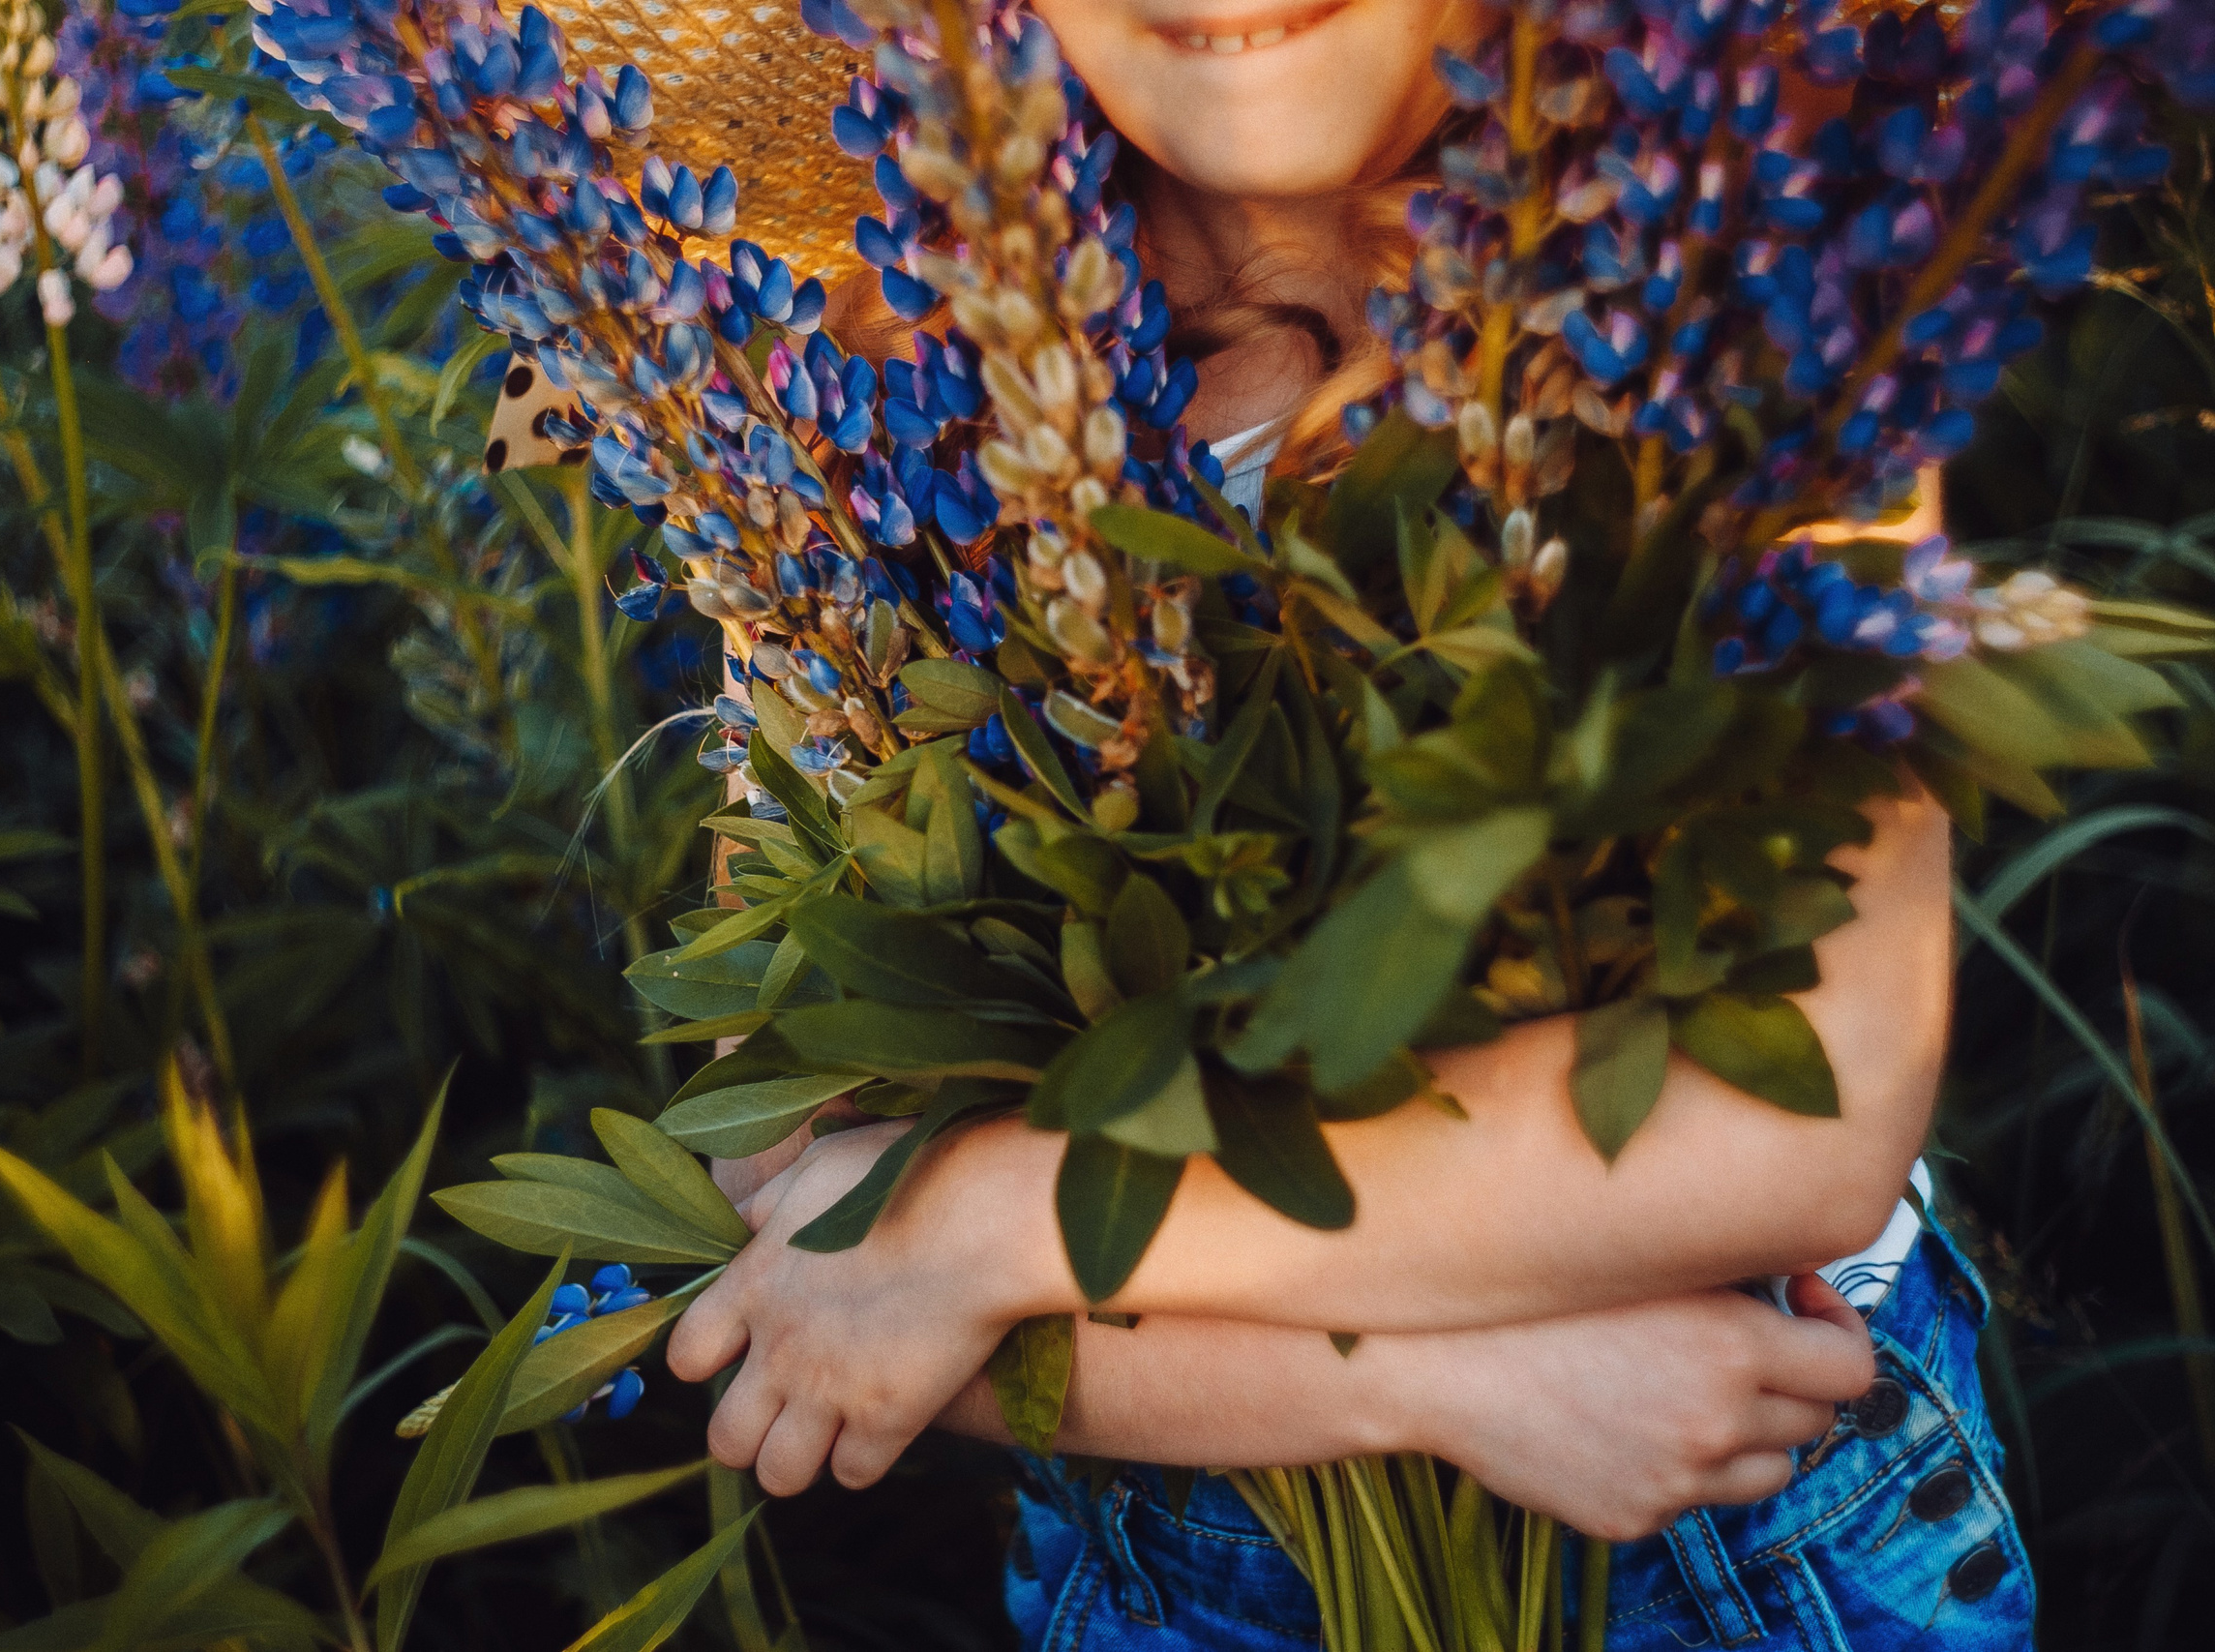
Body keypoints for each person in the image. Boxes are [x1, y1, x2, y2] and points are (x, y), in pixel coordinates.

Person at [657, 2, 2036, 1646]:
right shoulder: (864, 379)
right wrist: (1440, 1383)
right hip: (1169, 1548)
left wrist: (995, 1220)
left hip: (1741, 1539)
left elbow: (1801, 1125)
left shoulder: (1746, 293)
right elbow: (800, 1199)